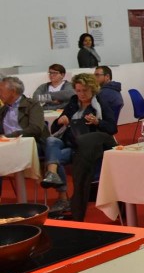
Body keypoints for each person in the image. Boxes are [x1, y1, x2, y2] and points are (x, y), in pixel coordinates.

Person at [40, 73, 118, 217]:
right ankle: (53, 176)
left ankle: (61, 195)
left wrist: (97, 122)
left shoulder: (100, 103)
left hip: (86, 149)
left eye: (85, 91)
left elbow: (112, 128)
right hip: (70, 142)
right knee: (51, 141)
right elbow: (54, 131)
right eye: (78, 90)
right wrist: (59, 121)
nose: (81, 94)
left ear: (92, 89)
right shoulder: (73, 102)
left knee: (53, 159)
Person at [0, 76, 46, 146]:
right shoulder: (3, 109)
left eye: (1, 90)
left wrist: (9, 136)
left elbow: (35, 129)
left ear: (13, 91)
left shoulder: (32, 105)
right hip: (5, 143)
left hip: (26, 143)